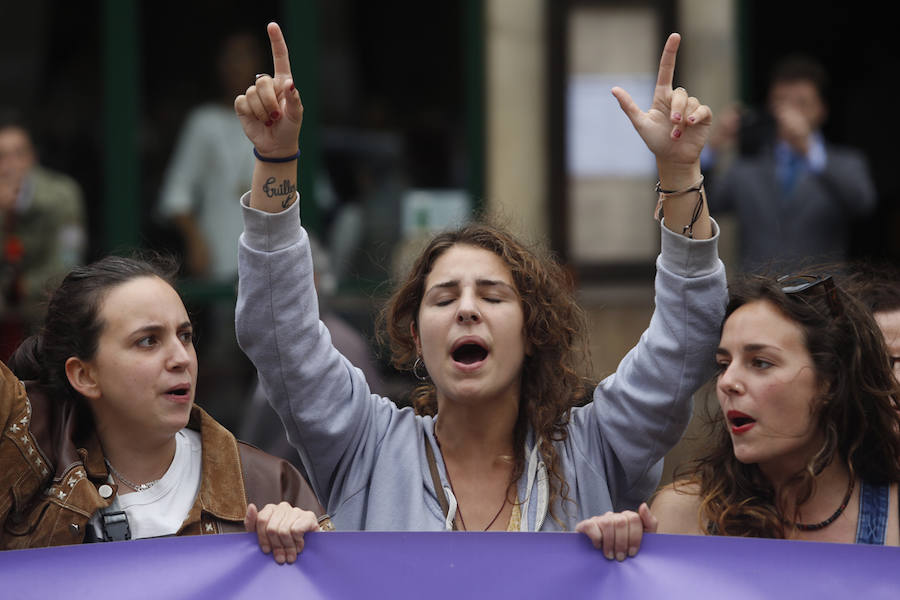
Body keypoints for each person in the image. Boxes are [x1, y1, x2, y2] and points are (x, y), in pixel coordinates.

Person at [235, 23, 725, 539]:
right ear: (417, 337)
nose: (467, 309)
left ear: (532, 331)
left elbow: (685, 341)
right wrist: (276, 159)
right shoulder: (365, 445)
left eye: (492, 295)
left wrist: (679, 174)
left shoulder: (597, 447)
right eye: (444, 298)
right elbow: (279, 332)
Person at [0, 254, 330, 564]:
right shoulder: (27, 459)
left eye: (185, 336)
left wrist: (311, 547)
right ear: (84, 375)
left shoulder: (269, 485)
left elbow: (337, 585)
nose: (181, 358)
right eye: (148, 341)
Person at [587, 272, 900, 553]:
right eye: (724, 364)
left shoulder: (892, 512)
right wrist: (619, 565)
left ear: (830, 382)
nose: (728, 383)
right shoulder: (684, 514)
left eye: (760, 362)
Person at [706, 56, 876, 273]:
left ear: (822, 110)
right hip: (757, 295)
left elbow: (862, 203)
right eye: (780, 102)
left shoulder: (845, 162)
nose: (788, 112)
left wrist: (808, 150)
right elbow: (707, 206)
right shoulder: (748, 164)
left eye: (801, 103)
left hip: (819, 298)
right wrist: (713, 147)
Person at [0, 111, 86, 359]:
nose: (11, 165)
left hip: (42, 313)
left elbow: (66, 263)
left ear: (33, 158)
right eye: (2, 156)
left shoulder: (62, 194)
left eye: (19, 154)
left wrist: (17, 291)